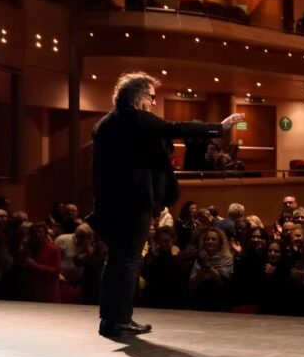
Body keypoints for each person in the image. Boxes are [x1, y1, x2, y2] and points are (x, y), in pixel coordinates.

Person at [92, 71, 243, 337]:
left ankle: (108, 319)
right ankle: (122, 320)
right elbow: (177, 129)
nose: (152, 103)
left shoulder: (104, 124)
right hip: (134, 202)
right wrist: (219, 128)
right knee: (128, 261)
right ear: (138, 97)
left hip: (108, 204)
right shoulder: (137, 119)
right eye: (151, 97)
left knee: (114, 260)